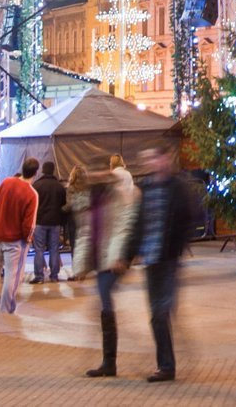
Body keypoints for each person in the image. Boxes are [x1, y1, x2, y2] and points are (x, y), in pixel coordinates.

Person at [126, 143, 203, 381]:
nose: (152, 164)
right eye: (148, 159)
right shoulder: (146, 188)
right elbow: (138, 223)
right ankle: (165, 364)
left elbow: (190, 217)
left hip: (168, 259)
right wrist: (128, 254)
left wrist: (177, 247)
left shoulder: (178, 187)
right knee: (156, 314)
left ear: (165, 159)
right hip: (150, 259)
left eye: (155, 158)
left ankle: (167, 367)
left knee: (161, 312)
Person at [82, 159, 140, 377]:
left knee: (106, 305)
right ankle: (108, 362)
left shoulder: (118, 196)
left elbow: (123, 228)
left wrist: (122, 257)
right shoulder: (96, 198)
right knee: (103, 306)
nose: (91, 177)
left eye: (96, 173)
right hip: (100, 260)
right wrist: (82, 263)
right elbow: (90, 231)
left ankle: (109, 362)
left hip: (111, 260)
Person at [0, 156, 38, 314]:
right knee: (12, 276)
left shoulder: (6, 182)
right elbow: (29, 224)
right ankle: (6, 310)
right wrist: (27, 239)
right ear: (36, 172)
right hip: (15, 241)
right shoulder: (32, 194)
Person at [30, 159, 69, 284]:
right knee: (54, 249)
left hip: (40, 222)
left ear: (42, 170)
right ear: (53, 171)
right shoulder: (60, 187)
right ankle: (54, 276)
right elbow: (64, 205)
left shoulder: (36, 185)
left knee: (39, 249)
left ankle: (39, 277)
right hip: (55, 222)